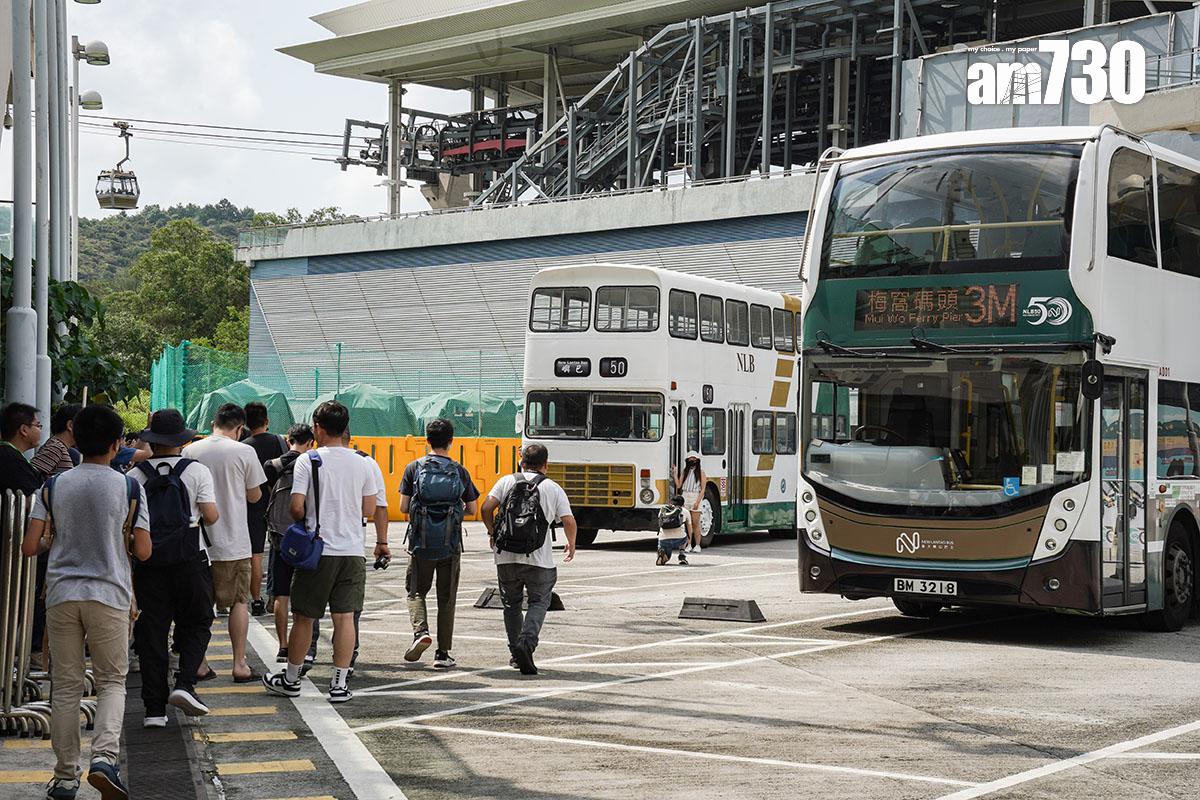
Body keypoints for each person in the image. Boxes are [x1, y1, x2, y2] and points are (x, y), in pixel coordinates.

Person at [21, 404, 152, 800]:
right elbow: (144, 551)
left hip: (61, 595)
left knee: (65, 688)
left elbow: (31, 546)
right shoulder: (129, 486)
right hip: (110, 595)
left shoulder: (53, 486)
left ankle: (63, 778)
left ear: (75, 437)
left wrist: (53, 541)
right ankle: (104, 760)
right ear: (116, 444)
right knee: (112, 681)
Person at [262, 401, 382, 703]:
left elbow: (296, 506)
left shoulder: (309, 460)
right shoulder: (366, 462)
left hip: (317, 551)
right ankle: (339, 685)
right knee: (345, 619)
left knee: (304, 617)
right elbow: (369, 508)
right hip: (353, 552)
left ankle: (290, 679)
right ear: (346, 428)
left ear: (317, 428)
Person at [130, 409, 219, 728]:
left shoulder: (135, 476)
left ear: (152, 440)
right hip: (190, 558)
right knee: (198, 620)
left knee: (151, 633)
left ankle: (154, 710)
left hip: (148, 562)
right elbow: (210, 516)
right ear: (182, 439)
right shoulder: (196, 471)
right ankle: (185, 684)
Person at [185, 403, 266, 683]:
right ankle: (240, 664)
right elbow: (255, 496)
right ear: (240, 427)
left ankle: (199, 662)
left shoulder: (190, 450)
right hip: (235, 541)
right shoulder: (245, 451)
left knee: (199, 607)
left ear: (212, 423)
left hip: (198, 543)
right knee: (239, 602)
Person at [481, 443, 576, 676]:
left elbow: (485, 507)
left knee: (511, 604)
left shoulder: (506, 481)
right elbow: (569, 520)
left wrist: (493, 532)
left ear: (521, 460)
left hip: (505, 557)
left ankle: (515, 652)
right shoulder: (552, 487)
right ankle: (526, 643)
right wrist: (571, 543)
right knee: (539, 602)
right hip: (539, 558)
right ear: (546, 464)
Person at [398, 418, 479, 670]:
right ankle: (442, 654)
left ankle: (420, 631)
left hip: (421, 542)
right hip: (450, 542)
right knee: (447, 597)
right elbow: (473, 508)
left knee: (415, 590)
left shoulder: (414, 468)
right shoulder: (459, 470)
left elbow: (403, 507)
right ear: (451, 441)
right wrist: (451, 513)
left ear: (426, 439)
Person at [264, 424, 319, 666]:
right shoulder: (312, 464)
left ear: (289, 440)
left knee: (281, 593)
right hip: (305, 536)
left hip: (280, 535)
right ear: (311, 442)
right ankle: (306, 646)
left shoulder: (273, 465)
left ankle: (283, 646)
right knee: (307, 592)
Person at [242, 401, 288, 617]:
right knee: (280, 552)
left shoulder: (244, 446)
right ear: (267, 421)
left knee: (256, 556)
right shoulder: (279, 441)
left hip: (253, 505)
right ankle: (276, 595)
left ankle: (257, 600)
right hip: (279, 504)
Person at [0, 401, 45, 494]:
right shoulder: (11, 460)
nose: (40, 430)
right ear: (24, 430)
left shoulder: (8, 454)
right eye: (38, 425)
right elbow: (31, 499)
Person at [31, 404, 81, 479]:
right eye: (85, 425)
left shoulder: (59, 447)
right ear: (70, 425)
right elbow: (28, 474)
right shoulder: (56, 447)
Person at [672, 451, 707, 553]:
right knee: (687, 523)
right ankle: (689, 544)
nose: (692, 461)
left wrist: (697, 502)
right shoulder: (684, 472)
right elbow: (679, 485)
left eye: (694, 459)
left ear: (697, 460)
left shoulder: (701, 472)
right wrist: (674, 473)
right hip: (685, 496)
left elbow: (703, 490)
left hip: (695, 496)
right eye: (690, 459)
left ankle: (697, 545)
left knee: (695, 523)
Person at [656, 494, 691, 566]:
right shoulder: (685, 511)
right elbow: (690, 528)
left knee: (666, 557)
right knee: (686, 535)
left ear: (670, 502)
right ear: (683, 504)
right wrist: (689, 540)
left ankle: (661, 551)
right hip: (679, 539)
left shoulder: (663, 510)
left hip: (664, 540)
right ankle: (682, 556)